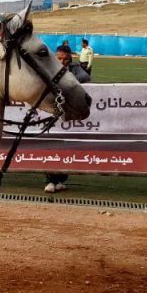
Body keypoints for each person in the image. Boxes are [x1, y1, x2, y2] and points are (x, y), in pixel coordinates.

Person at [45, 45, 90, 193]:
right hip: (51, 115)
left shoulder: (75, 70)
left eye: (65, 59)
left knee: (67, 147)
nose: (62, 61)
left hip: (69, 117)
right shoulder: (47, 68)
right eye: (59, 58)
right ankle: (50, 180)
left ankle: (60, 180)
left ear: (70, 59)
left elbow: (86, 79)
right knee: (51, 145)